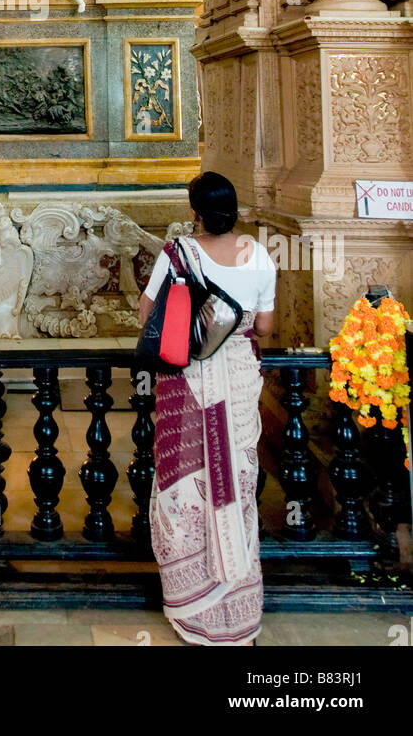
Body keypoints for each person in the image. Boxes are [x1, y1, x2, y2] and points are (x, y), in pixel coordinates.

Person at [139, 172, 276, 646]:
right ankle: (235, 604)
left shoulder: (178, 252)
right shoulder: (258, 253)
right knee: (235, 481)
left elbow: (146, 314)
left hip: (187, 380)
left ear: (195, 210)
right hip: (239, 380)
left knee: (184, 488)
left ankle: (192, 601)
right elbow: (264, 325)